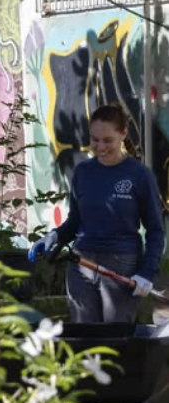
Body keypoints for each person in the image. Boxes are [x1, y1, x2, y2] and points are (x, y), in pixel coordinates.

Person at [29, 104, 165, 323]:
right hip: (81, 265)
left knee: (115, 340)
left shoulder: (139, 175)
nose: (100, 146)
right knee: (84, 338)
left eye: (107, 140)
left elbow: (156, 231)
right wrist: (53, 236)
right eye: (95, 139)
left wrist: (147, 273)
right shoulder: (83, 172)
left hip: (122, 267)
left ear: (123, 134)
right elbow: (75, 222)